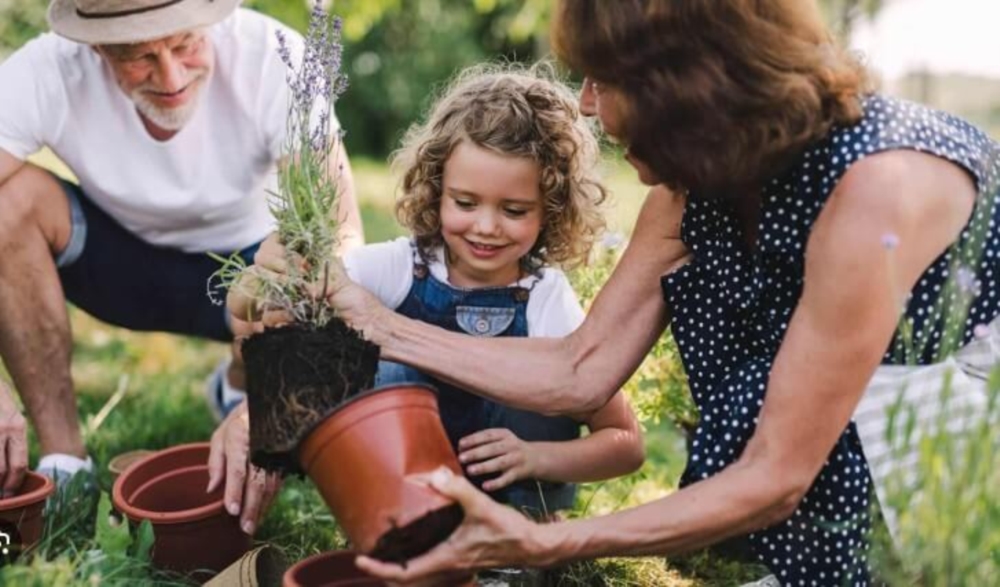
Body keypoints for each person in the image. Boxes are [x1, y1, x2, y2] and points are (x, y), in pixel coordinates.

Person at [239, 0, 1000, 584]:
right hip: (848, 420)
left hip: (958, 438)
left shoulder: (877, 192)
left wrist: (545, 539)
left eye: (607, 81)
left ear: (688, 87)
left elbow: (774, 475)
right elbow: (580, 370)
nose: (591, 108)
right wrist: (375, 325)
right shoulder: (700, 175)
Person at [0, 0, 363, 535]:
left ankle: (239, 383)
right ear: (95, 47)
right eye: (138, 55)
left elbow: (343, 239)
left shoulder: (274, 58)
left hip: (246, 274)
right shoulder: (47, 69)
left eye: (186, 42)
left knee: (293, 263)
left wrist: (268, 399)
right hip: (118, 268)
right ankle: (66, 463)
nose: (170, 76)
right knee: (11, 204)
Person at [226, 65, 645, 521]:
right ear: (436, 191)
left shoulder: (546, 297)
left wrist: (538, 457)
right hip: (407, 501)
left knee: (545, 377)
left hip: (510, 509)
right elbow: (254, 306)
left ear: (551, 209)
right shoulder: (399, 268)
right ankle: (396, 523)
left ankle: (528, 535)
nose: (486, 226)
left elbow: (625, 444)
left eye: (514, 209)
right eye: (465, 203)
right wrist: (263, 275)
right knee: (383, 367)